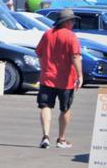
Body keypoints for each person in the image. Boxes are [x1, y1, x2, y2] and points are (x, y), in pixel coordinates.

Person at [35, 8, 83, 149]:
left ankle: (45, 136)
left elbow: (39, 53)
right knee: (65, 108)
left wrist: (44, 67)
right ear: (66, 22)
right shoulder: (71, 36)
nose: (73, 23)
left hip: (47, 77)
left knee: (45, 106)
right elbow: (75, 57)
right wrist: (80, 75)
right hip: (65, 80)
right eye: (72, 20)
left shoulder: (47, 34)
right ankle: (61, 139)